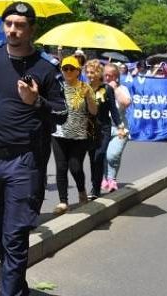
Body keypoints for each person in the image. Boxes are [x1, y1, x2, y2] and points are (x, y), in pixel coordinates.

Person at [0, 1, 67, 296]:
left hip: (24, 162)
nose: (13, 30)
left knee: (15, 237)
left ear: (31, 29)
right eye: (9, 24)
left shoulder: (46, 67)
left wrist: (36, 102)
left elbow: (62, 113)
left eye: (20, 25)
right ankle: (17, 289)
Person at [50, 56, 97, 214]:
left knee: (75, 167)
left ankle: (82, 191)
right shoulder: (57, 87)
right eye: (65, 69)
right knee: (61, 167)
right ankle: (63, 201)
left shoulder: (85, 87)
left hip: (78, 135)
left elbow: (93, 112)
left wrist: (89, 97)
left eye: (72, 69)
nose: (68, 71)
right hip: (59, 134)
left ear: (78, 71)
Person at [85, 59, 117, 199]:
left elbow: (113, 109)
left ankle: (96, 187)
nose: (89, 75)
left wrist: (120, 126)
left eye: (92, 72)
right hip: (89, 128)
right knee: (93, 159)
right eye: (87, 72)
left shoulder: (107, 89)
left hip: (104, 128)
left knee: (99, 155)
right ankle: (95, 187)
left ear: (99, 73)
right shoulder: (84, 88)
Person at [101, 63, 132, 192]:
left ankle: (112, 178)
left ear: (116, 77)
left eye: (111, 75)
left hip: (119, 128)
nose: (108, 78)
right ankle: (106, 178)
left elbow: (126, 103)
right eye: (106, 75)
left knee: (112, 155)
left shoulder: (122, 89)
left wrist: (114, 89)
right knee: (102, 155)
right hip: (103, 127)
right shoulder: (100, 89)